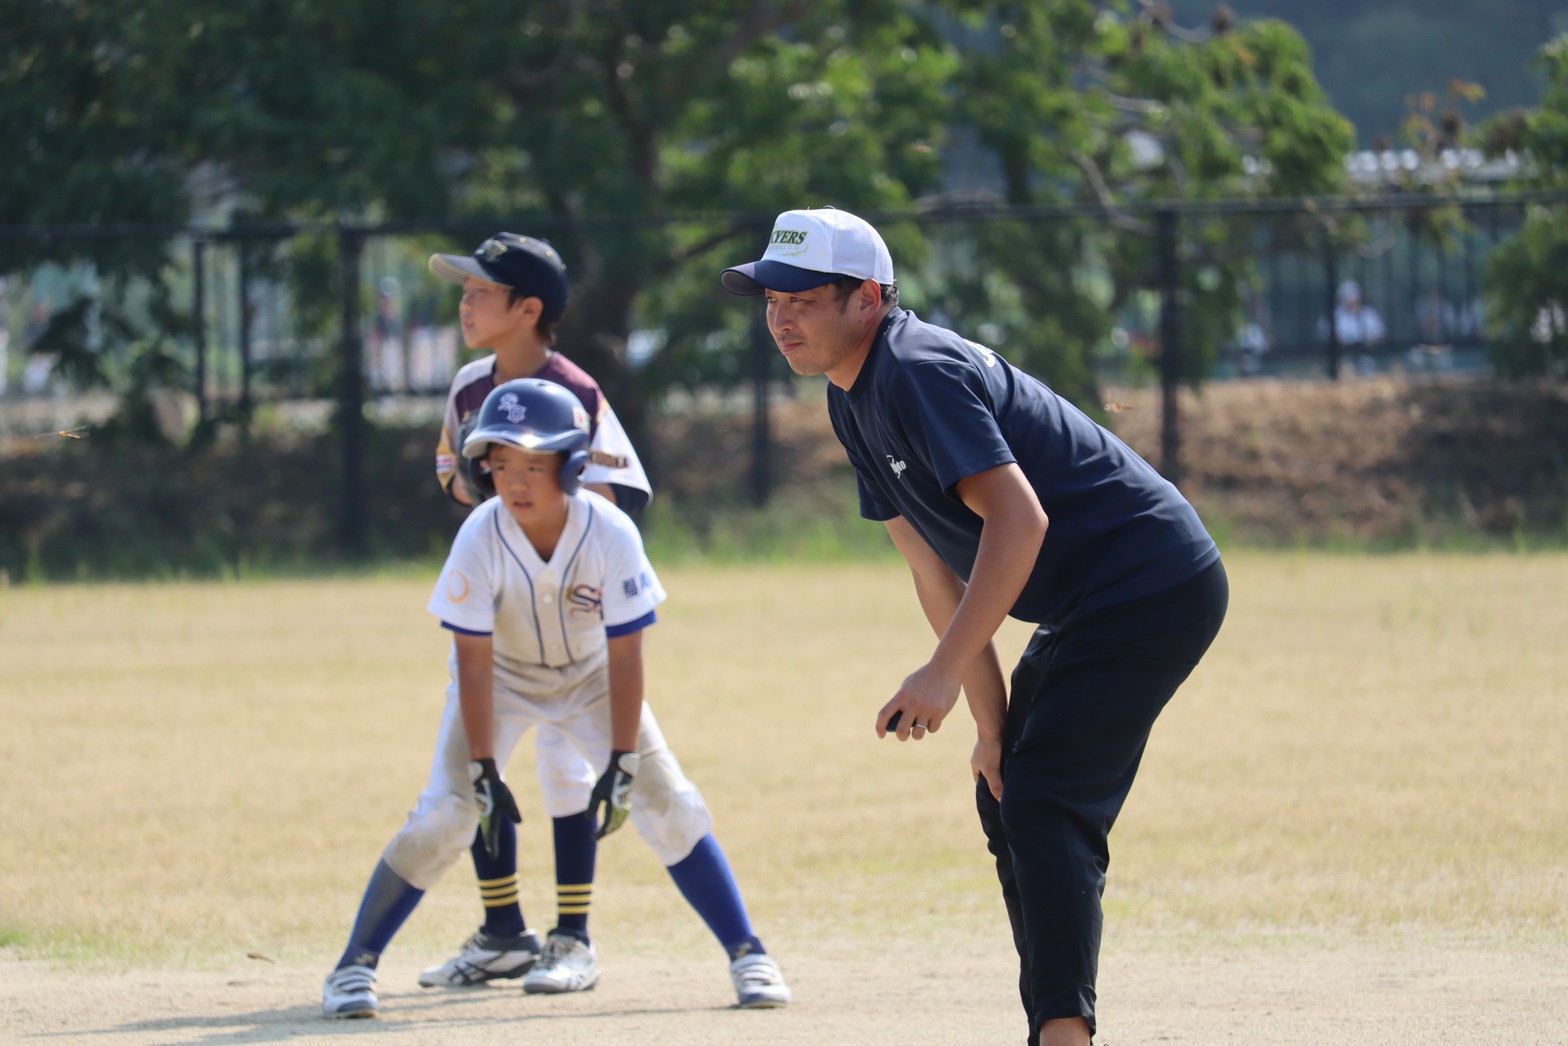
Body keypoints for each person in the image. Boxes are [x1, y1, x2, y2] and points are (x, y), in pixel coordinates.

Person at [720, 207, 1228, 1046]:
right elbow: (936, 571)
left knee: (1048, 801)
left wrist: (942, 673)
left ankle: (1063, 1033)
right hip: (1089, 600)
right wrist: (991, 727)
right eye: (772, 298)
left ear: (868, 299)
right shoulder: (851, 399)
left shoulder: (917, 368)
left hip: (1151, 583)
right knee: (1007, 792)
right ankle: (1056, 1024)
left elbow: (1018, 524)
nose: (779, 317)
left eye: (803, 298)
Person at [323, 378, 790, 1018]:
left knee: (667, 800)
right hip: (501, 680)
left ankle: (749, 954)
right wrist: (483, 768)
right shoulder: (480, 536)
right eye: (502, 463)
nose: (516, 481)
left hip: (592, 678)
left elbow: (627, 655)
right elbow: (473, 662)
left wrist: (623, 757)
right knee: (447, 816)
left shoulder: (609, 532)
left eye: (535, 464)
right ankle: (354, 967)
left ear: (572, 465)